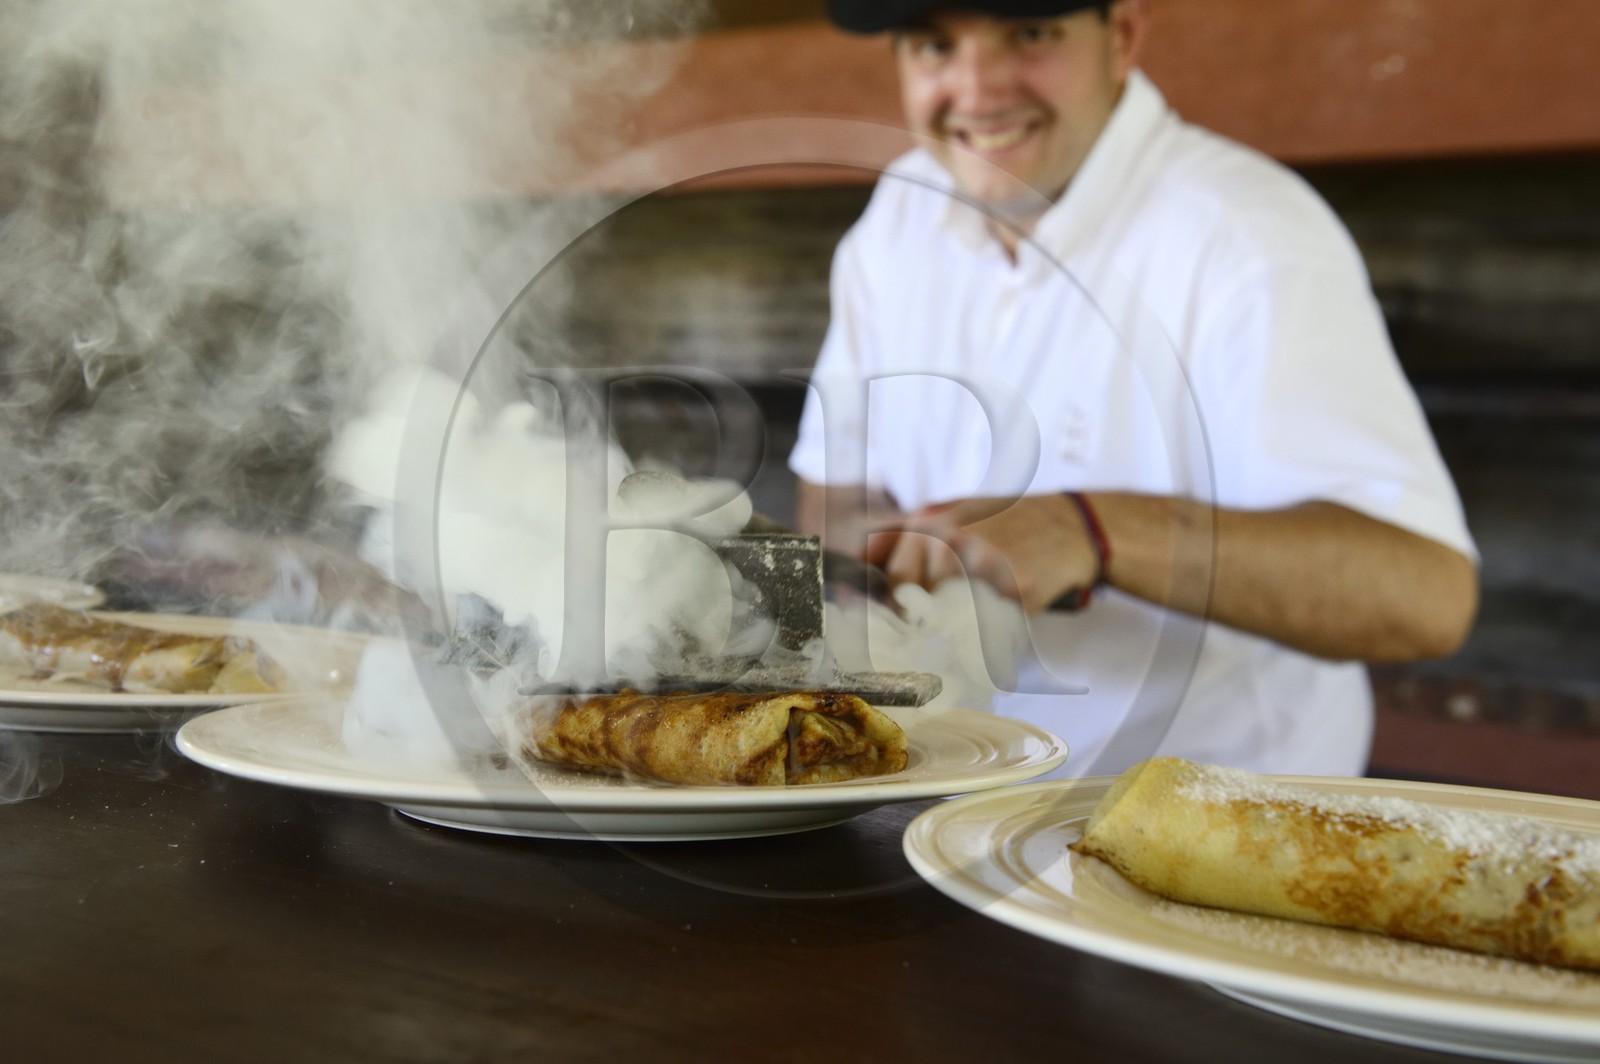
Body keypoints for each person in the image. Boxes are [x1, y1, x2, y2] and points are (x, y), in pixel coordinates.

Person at [787, 0, 1479, 776]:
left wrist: (1090, 531)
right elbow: (839, 495)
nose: (976, 91)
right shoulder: (900, 216)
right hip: (945, 804)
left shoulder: (1247, 235)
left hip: (1211, 827)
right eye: (934, 45)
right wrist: (887, 553)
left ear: (1121, 36)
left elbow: (1424, 598)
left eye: (1032, 32)